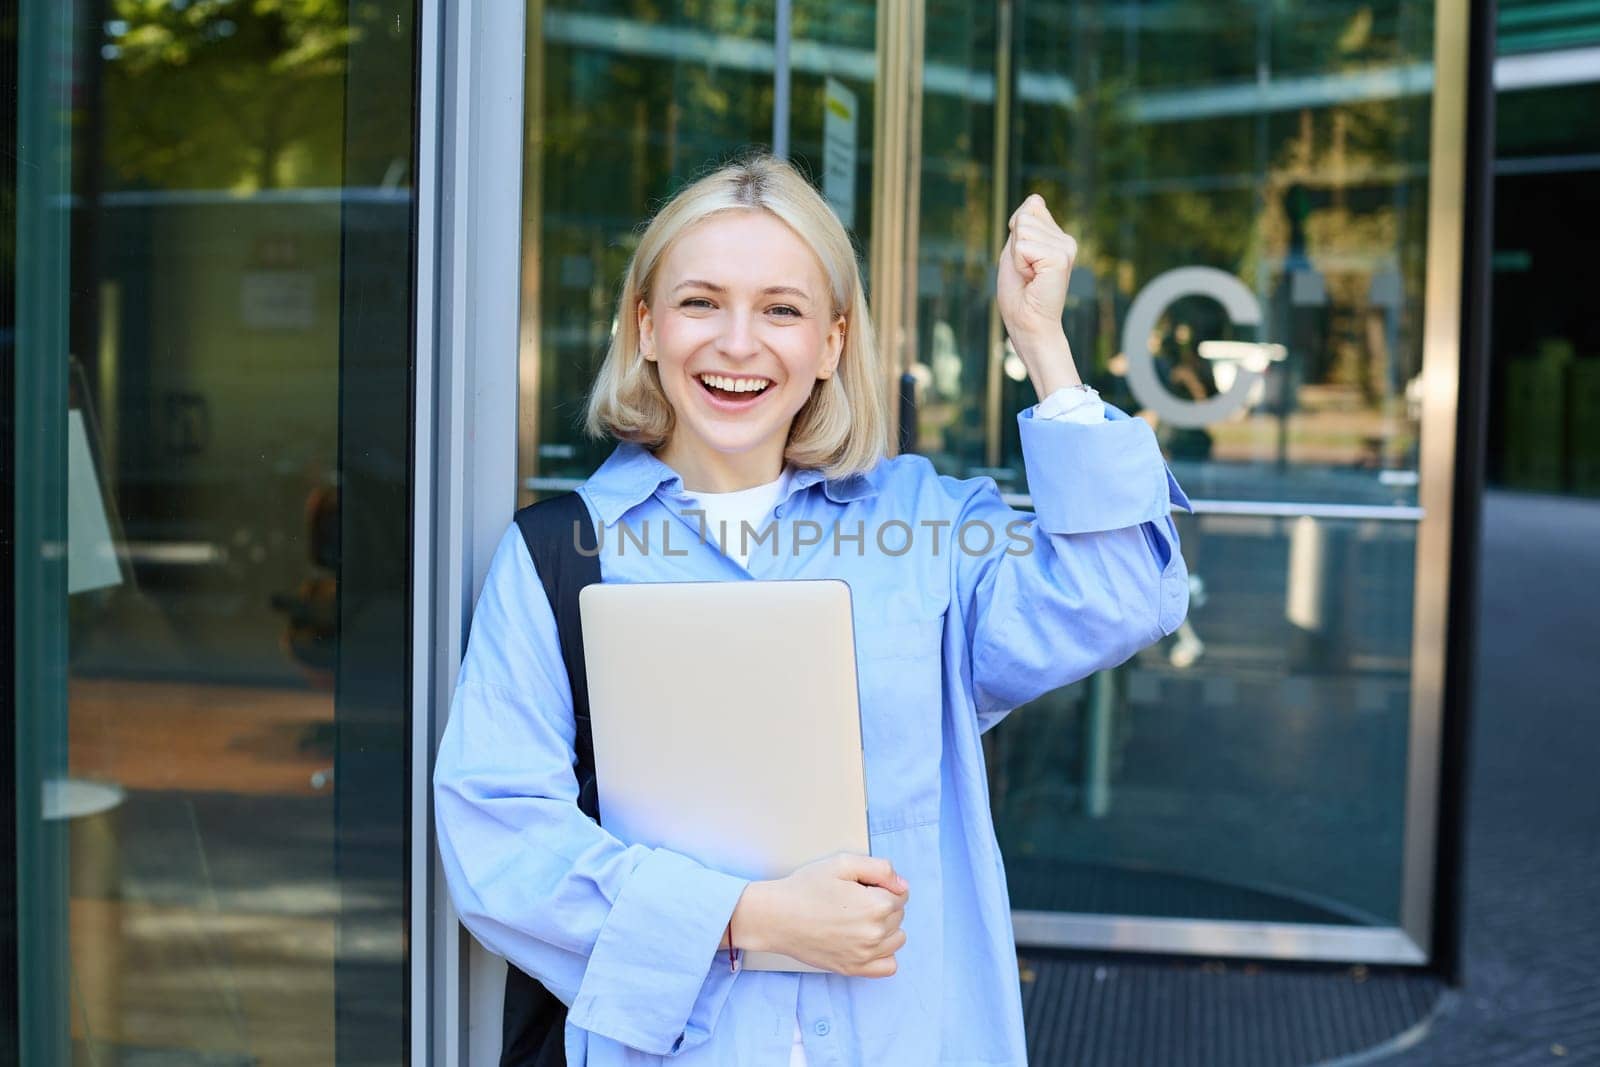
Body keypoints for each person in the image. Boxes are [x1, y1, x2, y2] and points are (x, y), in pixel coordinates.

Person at [433, 153, 1190, 1066]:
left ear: (832, 343)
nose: (738, 343)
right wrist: (750, 920)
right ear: (646, 327)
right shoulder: (559, 553)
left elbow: (1119, 597)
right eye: (700, 302)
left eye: (782, 310)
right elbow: (498, 842)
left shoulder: (928, 526)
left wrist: (1042, 345)